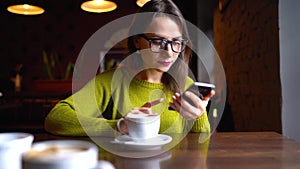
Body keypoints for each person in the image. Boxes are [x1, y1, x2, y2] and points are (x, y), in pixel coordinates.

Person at [44, 0, 215, 136]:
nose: (169, 52)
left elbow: (201, 146)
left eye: (176, 42)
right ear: (137, 41)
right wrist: (121, 126)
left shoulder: (185, 84)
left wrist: (199, 117)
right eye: (157, 41)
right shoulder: (109, 82)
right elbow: (56, 118)